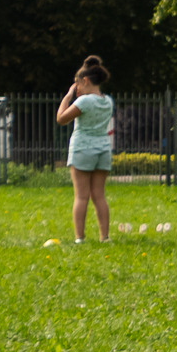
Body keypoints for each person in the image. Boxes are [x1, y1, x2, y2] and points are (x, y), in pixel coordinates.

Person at [56, 56, 115, 243]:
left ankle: (80, 238)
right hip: (103, 150)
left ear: (85, 81)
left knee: (81, 197)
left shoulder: (84, 102)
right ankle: (104, 237)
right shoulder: (108, 101)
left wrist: (67, 96)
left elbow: (61, 119)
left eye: (77, 85)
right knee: (99, 196)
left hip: (82, 149)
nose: (77, 89)